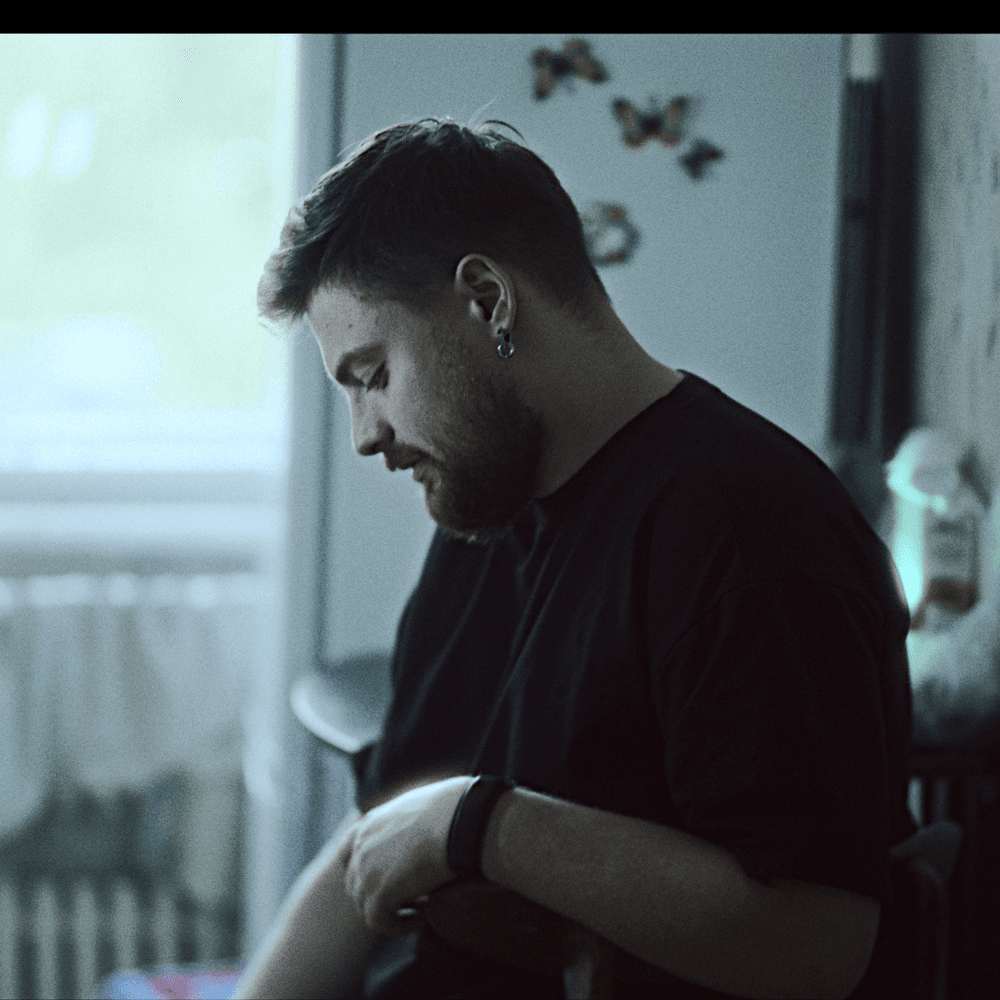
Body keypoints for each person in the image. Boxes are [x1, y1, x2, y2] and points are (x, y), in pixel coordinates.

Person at [235, 118, 915, 1000]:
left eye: (373, 376)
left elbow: (816, 945)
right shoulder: (488, 505)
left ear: (487, 300)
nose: (367, 436)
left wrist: (483, 825)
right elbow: (377, 843)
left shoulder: (749, 531)